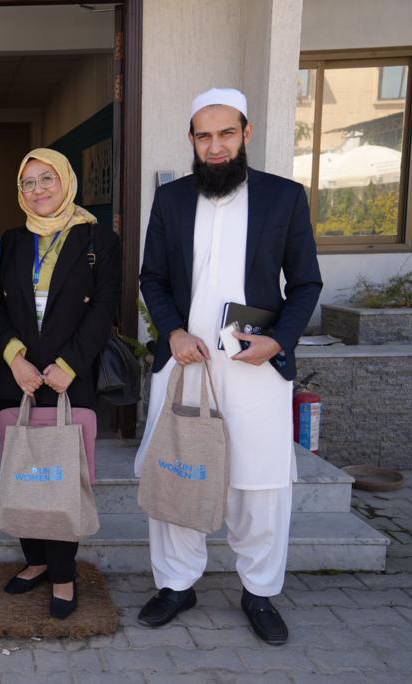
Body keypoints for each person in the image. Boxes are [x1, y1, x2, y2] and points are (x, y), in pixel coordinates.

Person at [136, 88, 322, 645]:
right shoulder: (169, 200)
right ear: (191, 141)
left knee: (260, 485)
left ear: (246, 133)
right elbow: (153, 279)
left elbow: (306, 282)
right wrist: (172, 331)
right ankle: (176, 583)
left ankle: (259, 592)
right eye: (203, 136)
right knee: (177, 474)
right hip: (187, 363)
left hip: (255, 366)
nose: (215, 146)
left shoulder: (283, 198)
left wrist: (279, 342)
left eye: (226, 134)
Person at [0, 148, 121, 619]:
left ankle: (64, 574)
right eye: (28, 183)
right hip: (19, 379)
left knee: (63, 477)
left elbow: (105, 309)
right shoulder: (11, 241)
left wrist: (71, 363)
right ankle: (36, 561)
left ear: (66, 181)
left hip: (71, 379)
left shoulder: (98, 239)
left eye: (47, 179)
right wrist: (13, 356)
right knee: (24, 471)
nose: (38, 189)